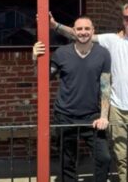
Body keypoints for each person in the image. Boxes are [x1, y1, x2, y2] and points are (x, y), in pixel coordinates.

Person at [49, 1, 128, 182]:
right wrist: (55, 26)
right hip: (117, 110)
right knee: (122, 160)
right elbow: (80, 34)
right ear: (123, 20)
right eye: (127, 18)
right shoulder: (112, 40)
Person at [33, 16, 112, 182]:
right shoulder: (62, 53)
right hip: (65, 115)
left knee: (104, 157)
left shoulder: (103, 53)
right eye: (79, 29)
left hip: (92, 117)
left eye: (87, 29)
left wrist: (104, 116)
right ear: (74, 32)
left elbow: (105, 87)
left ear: (93, 31)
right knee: (67, 161)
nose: (83, 32)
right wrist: (35, 59)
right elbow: (43, 77)